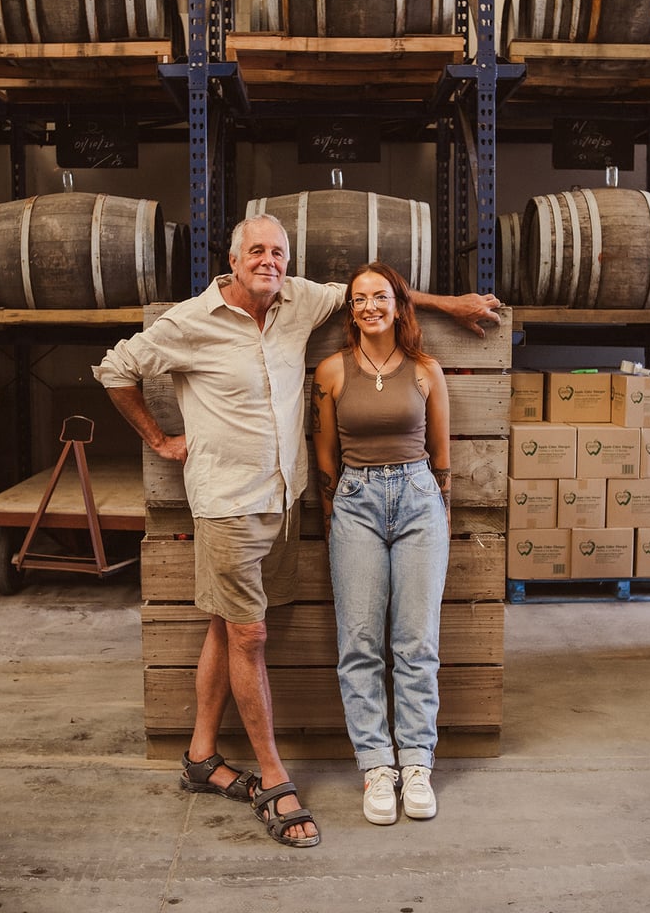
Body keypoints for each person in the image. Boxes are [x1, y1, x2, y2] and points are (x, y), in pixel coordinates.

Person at [92, 214, 499, 848]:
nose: (269, 260)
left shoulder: (296, 300)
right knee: (250, 634)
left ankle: (201, 755)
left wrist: (451, 301)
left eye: (279, 251)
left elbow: (375, 293)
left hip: (283, 500)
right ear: (231, 258)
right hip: (225, 503)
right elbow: (115, 369)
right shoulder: (187, 323)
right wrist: (158, 438)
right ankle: (276, 778)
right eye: (257, 250)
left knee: (227, 625)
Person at [311, 261, 451, 826]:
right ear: (351, 309)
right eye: (359, 298)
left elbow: (442, 456)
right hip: (356, 505)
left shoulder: (425, 370)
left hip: (419, 498)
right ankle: (376, 766)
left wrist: (442, 514)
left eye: (380, 296)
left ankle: (416, 763)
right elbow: (325, 456)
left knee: (416, 642)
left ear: (399, 304)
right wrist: (334, 518)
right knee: (360, 643)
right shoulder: (331, 371)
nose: (369, 305)